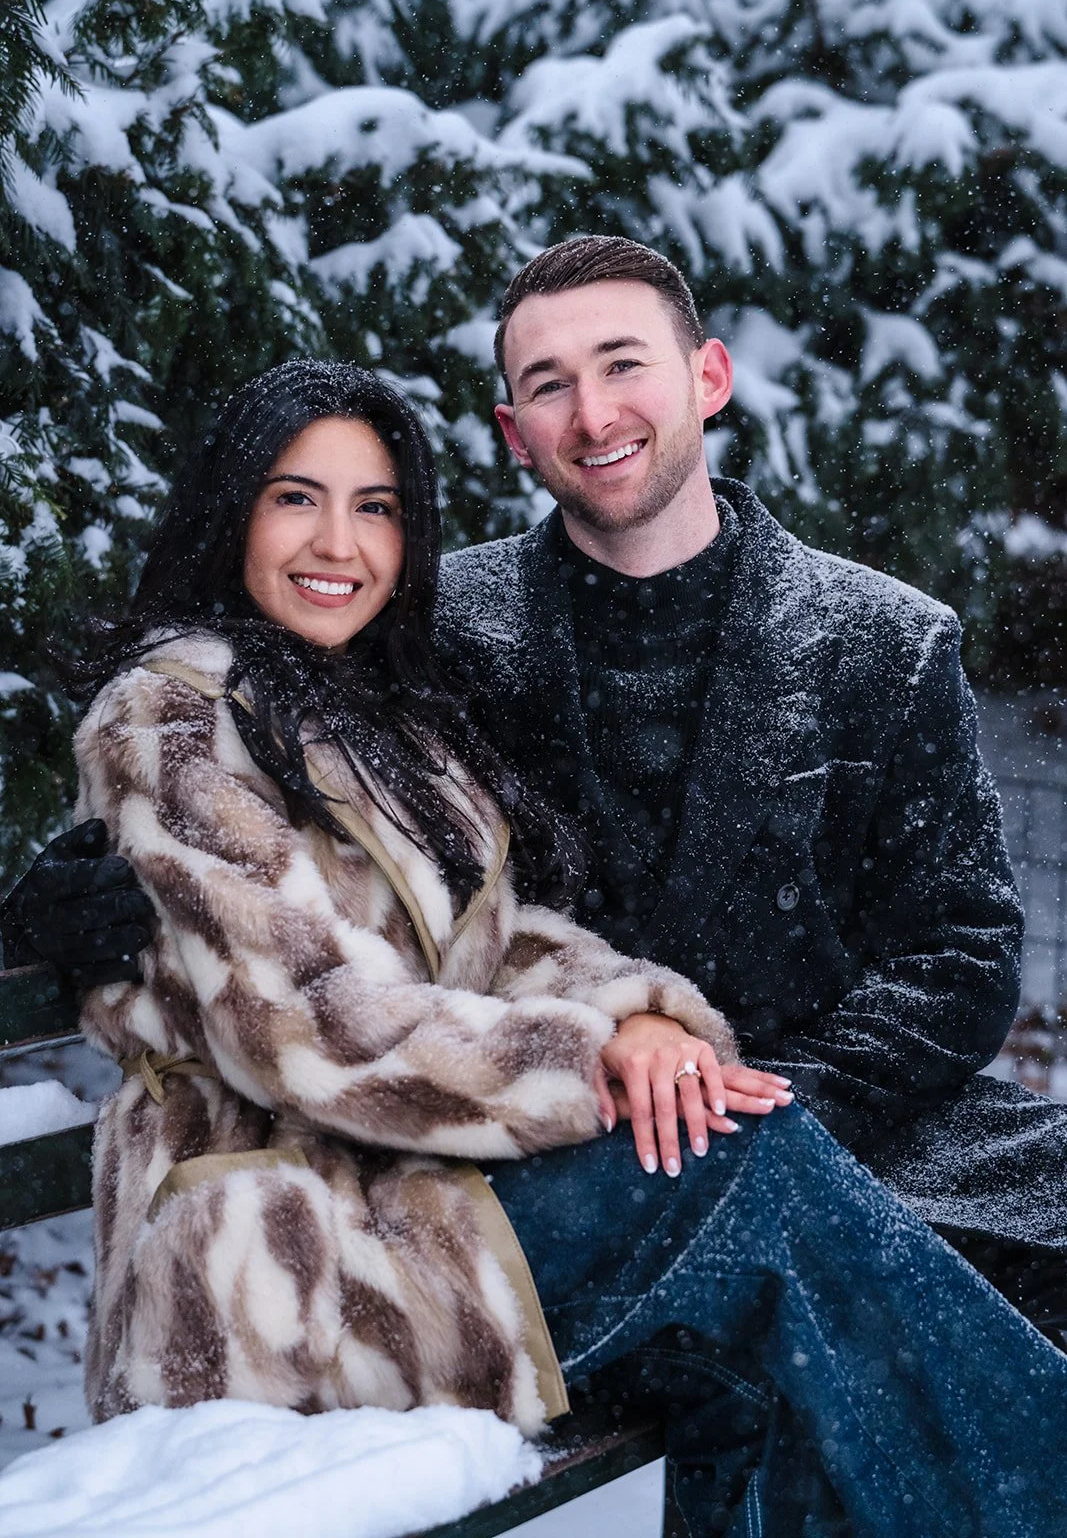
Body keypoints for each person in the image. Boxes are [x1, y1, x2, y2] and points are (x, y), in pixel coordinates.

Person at [5, 280, 1067, 1530]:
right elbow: (313, 1020)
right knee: (761, 1208)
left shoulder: (377, 704)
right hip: (285, 1253)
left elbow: (509, 934)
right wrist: (607, 1067)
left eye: (376, 508)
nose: (339, 545)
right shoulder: (207, 702)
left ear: (706, 380)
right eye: (296, 498)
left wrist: (640, 1021)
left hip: (462, 1171)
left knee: (838, 1277)